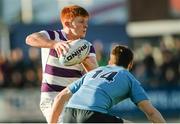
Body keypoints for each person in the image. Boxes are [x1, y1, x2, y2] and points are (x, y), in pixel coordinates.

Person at [49, 45, 166, 123]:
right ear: (130, 64)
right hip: (92, 116)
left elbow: (60, 97)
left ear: (110, 62)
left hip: (69, 114)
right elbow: (151, 112)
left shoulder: (93, 72)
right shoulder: (128, 77)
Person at [25, 5, 98, 123]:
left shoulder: (87, 46)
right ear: (68, 24)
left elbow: (95, 74)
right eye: (81, 21)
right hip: (52, 97)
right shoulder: (53, 36)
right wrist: (54, 44)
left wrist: (84, 60)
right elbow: (30, 39)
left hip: (74, 99)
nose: (86, 25)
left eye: (86, 22)